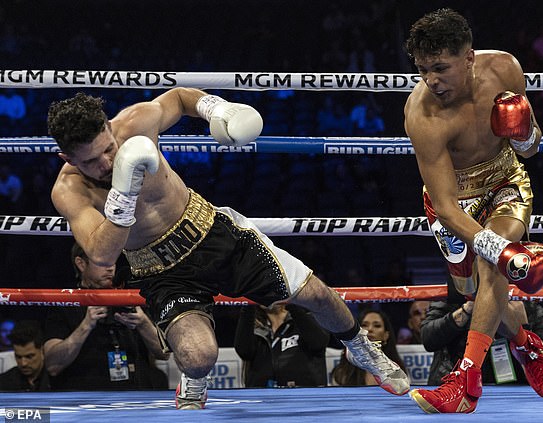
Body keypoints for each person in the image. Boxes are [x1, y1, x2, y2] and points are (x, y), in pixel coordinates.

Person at [47, 88, 409, 409]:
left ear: (110, 128)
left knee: (316, 294)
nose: (106, 163)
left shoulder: (136, 122)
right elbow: (101, 255)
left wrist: (217, 109)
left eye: (108, 149)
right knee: (198, 356)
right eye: (90, 161)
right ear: (67, 159)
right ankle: (194, 379)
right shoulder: (69, 191)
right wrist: (122, 195)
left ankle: (361, 348)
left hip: (213, 234)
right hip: (160, 271)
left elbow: (176, 98)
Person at [403, 8, 543, 413]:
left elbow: (531, 147)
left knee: (493, 268)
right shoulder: (423, 117)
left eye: (440, 68)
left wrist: (524, 131)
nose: (431, 81)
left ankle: (464, 382)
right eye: (423, 70)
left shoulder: (505, 69)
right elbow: (446, 208)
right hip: (455, 202)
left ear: (469, 56)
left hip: (506, 181)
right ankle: (528, 346)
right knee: (472, 293)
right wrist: (508, 255)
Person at [42, 242, 169, 391]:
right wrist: (85, 326)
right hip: (84, 400)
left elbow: (164, 354)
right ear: (81, 264)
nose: (110, 267)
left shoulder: (129, 298)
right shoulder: (65, 303)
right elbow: (52, 366)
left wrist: (143, 324)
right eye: (103, 262)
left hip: (134, 398)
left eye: (113, 260)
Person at [422, 299, 543, 386]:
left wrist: (522, 328)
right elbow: (428, 339)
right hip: (454, 385)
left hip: (515, 394)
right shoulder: (454, 299)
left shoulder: (530, 311)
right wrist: (465, 312)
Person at [234, 303, 329, 387]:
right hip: (263, 399)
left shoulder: (307, 316)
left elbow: (319, 343)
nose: (264, 294)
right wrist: (248, 306)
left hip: (304, 398)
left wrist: (292, 304)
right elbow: (244, 352)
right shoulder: (252, 323)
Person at [332, 309, 407, 387]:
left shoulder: (398, 372)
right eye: (364, 325)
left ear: (386, 335)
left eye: (377, 326)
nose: (370, 329)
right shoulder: (342, 372)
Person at [0, 320, 50, 391]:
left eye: (29, 357)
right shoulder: (3, 382)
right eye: (18, 357)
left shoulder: (57, 380)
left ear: (42, 351)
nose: (23, 363)